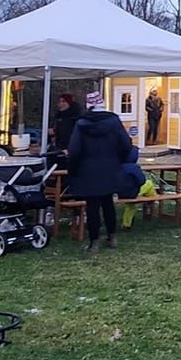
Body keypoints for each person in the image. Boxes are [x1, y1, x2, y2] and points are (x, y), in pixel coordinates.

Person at [65, 90, 135, 253]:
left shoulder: (81, 124)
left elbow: (74, 150)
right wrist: (119, 160)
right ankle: (112, 236)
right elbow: (126, 144)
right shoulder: (114, 121)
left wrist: (72, 169)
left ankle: (94, 241)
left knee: (92, 206)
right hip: (110, 167)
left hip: (87, 169)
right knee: (108, 203)